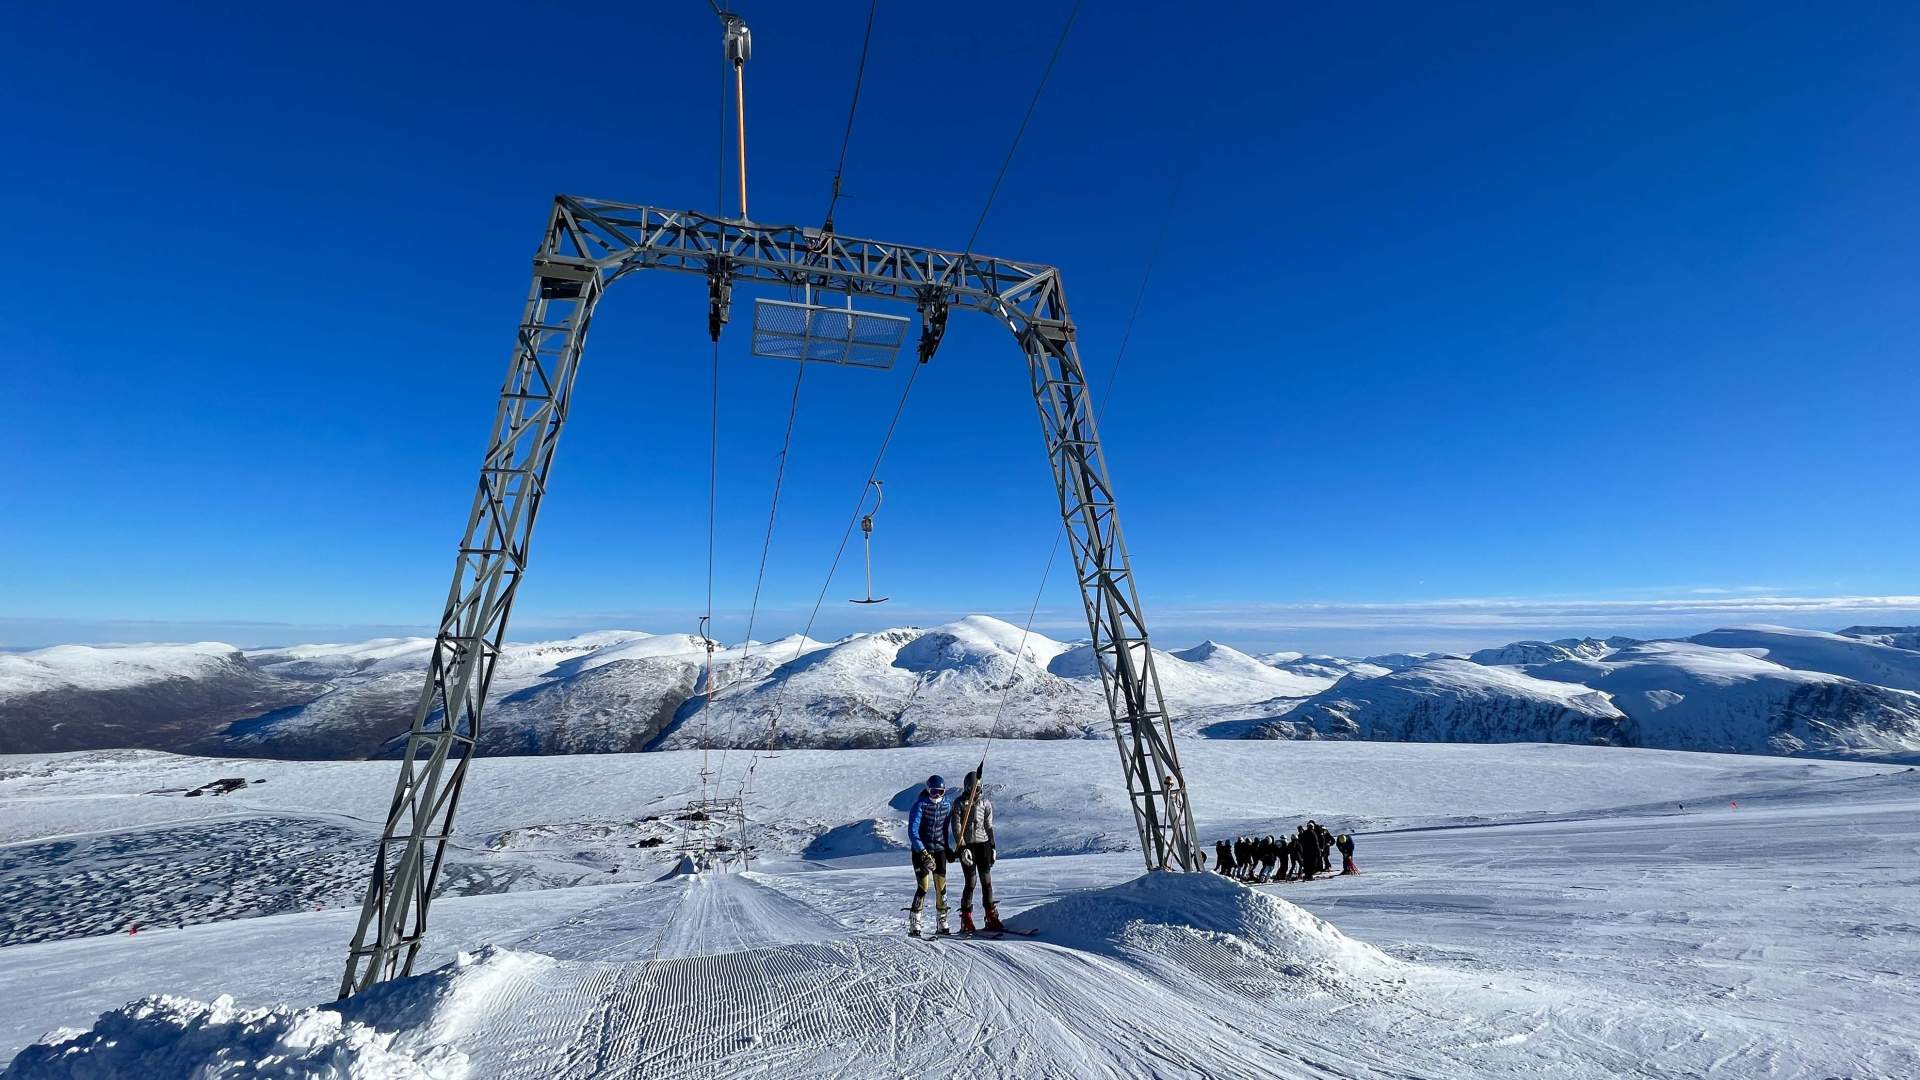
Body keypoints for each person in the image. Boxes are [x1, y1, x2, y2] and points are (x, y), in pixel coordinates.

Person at [947, 770, 1005, 933]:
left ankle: (990, 915)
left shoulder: (985, 803)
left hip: (983, 844)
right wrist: (962, 848)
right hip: (968, 846)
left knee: (986, 881)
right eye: (971, 789)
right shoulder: (958, 803)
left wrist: (993, 846)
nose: (975, 793)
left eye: (977, 789)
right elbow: (956, 827)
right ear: (966, 788)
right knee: (971, 882)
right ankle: (966, 917)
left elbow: (989, 826)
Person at [907, 774, 954, 936]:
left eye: (940, 792)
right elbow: (913, 832)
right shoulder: (920, 805)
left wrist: (947, 848)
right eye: (934, 792)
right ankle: (915, 921)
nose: (937, 796)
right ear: (928, 791)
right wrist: (924, 854)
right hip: (921, 851)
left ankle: (942, 920)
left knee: (941, 887)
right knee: (924, 886)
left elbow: (945, 828)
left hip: (939, 849)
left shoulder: (947, 805)